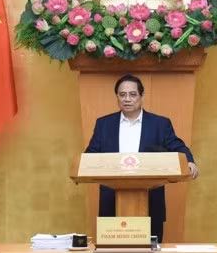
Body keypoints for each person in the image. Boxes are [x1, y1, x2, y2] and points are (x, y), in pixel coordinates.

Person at [84, 74, 198, 243]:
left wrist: (189, 160)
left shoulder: (160, 124)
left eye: (132, 94)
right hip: (111, 201)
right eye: (122, 95)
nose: (127, 99)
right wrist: (83, 165)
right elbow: (91, 155)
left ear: (142, 96)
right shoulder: (104, 124)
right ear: (117, 97)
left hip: (151, 200)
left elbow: (177, 146)